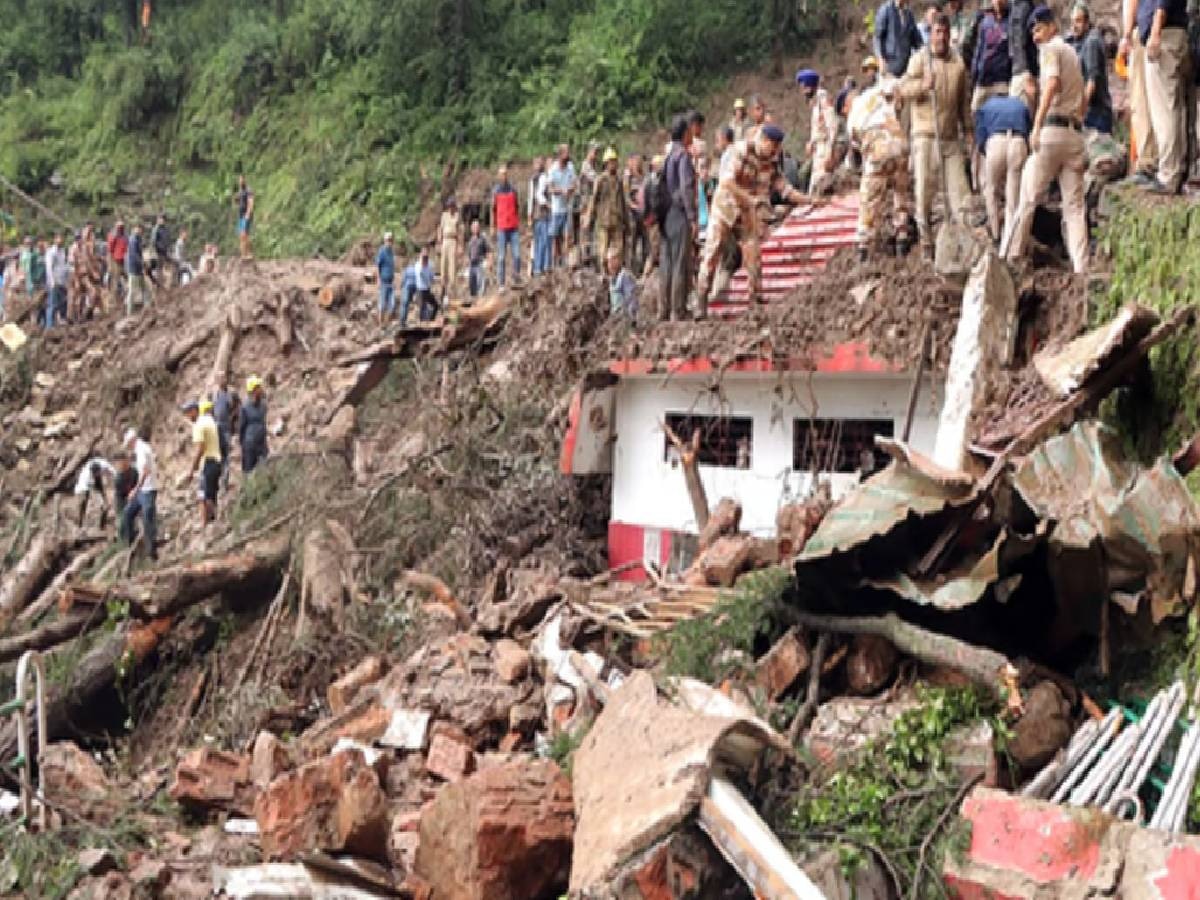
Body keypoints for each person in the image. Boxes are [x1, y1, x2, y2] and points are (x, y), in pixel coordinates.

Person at [1002, 6, 1089, 273]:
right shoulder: (1072, 52)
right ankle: (1081, 269)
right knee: (1074, 207)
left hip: (1052, 130)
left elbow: (1051, 84)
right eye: (1033, 32)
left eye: (1038, 29)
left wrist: (1037, 124)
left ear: (1052, 26)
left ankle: (1010, 260)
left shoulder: (1051, 49)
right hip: (1073, 135)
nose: (1036, 37)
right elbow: (1084, 97)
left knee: (1027, 197)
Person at [696, 125, 806, 307]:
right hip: (725, 208)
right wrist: (749, 198)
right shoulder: (741, 151)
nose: (776, 151)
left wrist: (808, 200)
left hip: (746, 212)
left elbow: (784, 188)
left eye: (778, 147)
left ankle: (755, 296)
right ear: (763, 140)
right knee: (712, 253)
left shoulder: (772, 161)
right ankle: (701, 299)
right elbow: (727, 182)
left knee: (753, 252)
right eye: (773, 146)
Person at [901, 14, 972, 256]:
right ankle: (927, 244)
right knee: (924, 193)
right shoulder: (920, 60)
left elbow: (964, 104)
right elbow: (903, 89)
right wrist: (923, 85)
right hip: (925, 135)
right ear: (930, 34)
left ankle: (963, 245)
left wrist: (969, 132)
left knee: (960, 194)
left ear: (949, 34)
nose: (941, 37)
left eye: (944, 32)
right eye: (937, 32)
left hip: (950, 138)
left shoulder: (958, 64)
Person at [849, 77, 914, 259]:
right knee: (900, 192)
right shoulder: (879, 94)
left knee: (869, 199)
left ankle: (864, 245)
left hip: (878, 146)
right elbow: (898, 94)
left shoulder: (855, 109)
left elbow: (856, 145)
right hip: (899, 142)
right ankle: (902, 237)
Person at [1135, 0, 1188, 192]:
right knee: (1174, 106)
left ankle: (1168, 174)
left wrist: (1155, 32)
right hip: (1172, 34)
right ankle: (1176, 168)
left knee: (1164, 108)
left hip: (1164, 37)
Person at [976, 94, 1033, 243]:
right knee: (1013, 196)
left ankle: (995, 234)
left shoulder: (985, 106)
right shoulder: (1020, 104)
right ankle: (1010, 241)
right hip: (1018, 142)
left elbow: (981, 139)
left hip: (996, 142)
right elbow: (1029, 132)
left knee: (991, 190)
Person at [660, 115, 699, 321]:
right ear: (685, 134)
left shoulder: (667, 156)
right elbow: (685, 187)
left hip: (665, 214)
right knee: (679, 261)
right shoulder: (683, 156)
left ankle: (663, 310)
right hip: (678, 213)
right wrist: (692, 217)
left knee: (666, 261)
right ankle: (678, 310)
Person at [1120, 0, 1159, 186]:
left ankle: (1147, 163)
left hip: (1141, 34)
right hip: (1149, 32)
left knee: (1141, 101)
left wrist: (1126, 35)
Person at [1066, 3, 1113, 135]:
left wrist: (1080, 113)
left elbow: (1092, 81)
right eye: (1072, 21)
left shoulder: (1091, 42)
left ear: (1087, 23)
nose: (1074, 26)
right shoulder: (1076, 42)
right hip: (1091, 111)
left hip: (1095, 113)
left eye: (1078, 21)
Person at [584, 147, 631, 274]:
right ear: (606, 163)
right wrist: (589, 219)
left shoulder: (619, 181)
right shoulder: (600, 180)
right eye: (611, 162)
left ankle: (615, 274)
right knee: (603, 251)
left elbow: (623, 202)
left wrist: (627, 223)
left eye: (615, 161)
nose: (613, 164)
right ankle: (604, 274)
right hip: (604, 221)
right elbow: (594, 201)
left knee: (618, 251)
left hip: (618, 221)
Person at [799, 69, 838, 196]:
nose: (802, 91)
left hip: (825, 148)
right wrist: (811, 142)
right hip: (818, 148)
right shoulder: (815, 102)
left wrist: (831, 154)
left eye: (803, 87)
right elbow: (817, 127)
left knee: (820, 185)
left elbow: (832, 127)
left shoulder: (823, 99)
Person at [184, 399, 222, 526]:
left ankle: (205, 525)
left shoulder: (199, 425)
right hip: (217, 459)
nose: (188, 416)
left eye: (189, 413)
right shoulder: (209, 420)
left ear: (195, 411)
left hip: (208, 462)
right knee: (212, 494)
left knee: (203, 496)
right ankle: (213, 521)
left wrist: (192, 469)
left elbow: (201, 448)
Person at [122, 427, 158, 561]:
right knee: (128, 513)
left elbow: (145, 471)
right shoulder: (141, 448)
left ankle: (151, 552)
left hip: (147, 489)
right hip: (144, 489)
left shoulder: (142, 450)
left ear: (132, 441)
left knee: (148, 519)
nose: (129, 447)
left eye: (128, 444)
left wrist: (135, 490)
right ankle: (133, 546)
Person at [971, 0, 1013, 113]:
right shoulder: (986, 22)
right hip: (983, 79)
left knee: (999, 115)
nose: (998, 2)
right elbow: (979, 49)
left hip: (1002, 80)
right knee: (975, 112)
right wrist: (975, 73)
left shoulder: (1011, 21)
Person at [875, 0, 924, 77]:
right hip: (889, 65)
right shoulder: (886, 10)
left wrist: (925, 54)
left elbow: (917, 40)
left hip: (905, 67)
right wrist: (880, 59)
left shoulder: (909, 14)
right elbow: (878, 37)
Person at [547, 144, 577, 268]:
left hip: (567, 208)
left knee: (567, 236)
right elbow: (550, 188)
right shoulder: (553, 169)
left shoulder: (570, 167)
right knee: (555, 238)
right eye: (565, 152)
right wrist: (561, 191)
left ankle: (565, 262)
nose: (568, 154)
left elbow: (575, 183)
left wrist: (570, 189)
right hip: (556, 209)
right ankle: (555, 263)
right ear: (560, 155)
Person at [491, 165, 521, 288]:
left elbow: (517, 206)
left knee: (517, 255)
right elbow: (493, 209)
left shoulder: (513, 190)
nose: (503, 176)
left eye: (505, 174)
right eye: (501, 174)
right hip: (502, 227)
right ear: (498, 176)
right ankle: (501, 283)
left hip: (513, 227)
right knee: (501, 257)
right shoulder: (496, 191)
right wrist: (492, 226)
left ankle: (516, 277)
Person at [212, 372, 238, 490]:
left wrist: (232, 419)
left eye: (224, 377)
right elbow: (210, 410)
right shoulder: (213, 394)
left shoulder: (231, 392)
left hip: (227, 428)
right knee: (218, 455)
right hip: (216, 428)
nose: (223, 380)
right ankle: (218, 480)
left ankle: (225, 482)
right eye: (220, 378)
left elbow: (238, 407)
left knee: (226, 454)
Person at [1009, 0, 1040, 99]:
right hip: (1023, 69)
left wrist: (1025, 71)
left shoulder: (1022, 6)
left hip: (1023, 72)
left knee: (1019, 111)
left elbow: (1019, 39)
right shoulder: (1016, 5)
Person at [399, 244, 437, 324]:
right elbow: (420, 275)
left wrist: (432, 282)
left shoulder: (430, 264)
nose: (425, 253)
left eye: (426, 252)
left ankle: (430, 320)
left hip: (427, 290)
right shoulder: (418, 265)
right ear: (421, 253)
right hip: (421, 290)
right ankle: (421, 324)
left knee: (435, 305)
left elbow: (431, 276)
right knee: (422, 309)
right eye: (424, 252)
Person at [74, 456, 115, 529]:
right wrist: (98, 501)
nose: (97, 475)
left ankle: (102, 525)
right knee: (83, 502)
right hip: (85, 487)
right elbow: (91, 490)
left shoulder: (103, 464)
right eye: (95, 474)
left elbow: (113, 471)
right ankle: (80, 523)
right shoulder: (86, 476)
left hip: (95, 481)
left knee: (105, 505)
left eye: (98, 473)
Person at [624, 154, 648, 273]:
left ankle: (643, 268)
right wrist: (634, 206)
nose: (638, 163)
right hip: (632, 216)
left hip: (643, 216)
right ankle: (630, 269)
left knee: (645, 243)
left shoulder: (644, 177)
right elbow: (626, 198)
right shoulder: (628, 178)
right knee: (632, 243)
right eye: (636, 161)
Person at [240, 375, 269, 474]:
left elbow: (263, 423)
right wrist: (243, 444)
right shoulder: (245, 407)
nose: (261, 389)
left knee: (264, 468)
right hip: (249, 445)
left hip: (261, 444)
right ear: (253, 390)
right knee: (249, 471)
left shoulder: (263, 405)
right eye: (259, 387)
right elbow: (241, 427)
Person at [528, 157, 549, 276]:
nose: (538, 165)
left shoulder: (538, 178)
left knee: (541, 241)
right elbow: (534, 197)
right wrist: (530, 215)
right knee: (541, 241)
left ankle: (539, 267)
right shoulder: (538, 178)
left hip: (539, 215)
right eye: (536, 163)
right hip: (540, 214)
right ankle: (539, 268)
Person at [437, 198, 462, 300]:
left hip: (453, 240)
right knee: (443, 265)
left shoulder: (457, 216)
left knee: (452, 266)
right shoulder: (444, 216)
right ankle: (443, 289)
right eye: (449, 206)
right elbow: (440, 228)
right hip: (445, 240)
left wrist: (460, 245)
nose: (450, 208)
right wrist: (439, 242)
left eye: (452, 206)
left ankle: (453, 290)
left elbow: (460, 231)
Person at [113, 451, 138, 544]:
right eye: (117, 463)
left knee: (130, 520)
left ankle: (131, 538)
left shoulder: (134, 472)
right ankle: (124, 541)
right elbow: (122, 494)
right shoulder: (118, 478)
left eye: (121, 462)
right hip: (122, 500)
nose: (119, 465)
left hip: (134, 497)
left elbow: (137, 484)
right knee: (122, 521)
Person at [606, 246, 638, 318]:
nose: (610, 264)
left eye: (612, 260)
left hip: (624, 318)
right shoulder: (613, 278)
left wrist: (631, 319)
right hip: (615, 316)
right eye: (608, 261)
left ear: (619, 260)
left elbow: (631, 300)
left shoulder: (625, 276)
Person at [126, 224, 151, 315]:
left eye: (140, 229)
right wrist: (142, 264)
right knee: (132, 292)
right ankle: (129, 312)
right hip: (133, 269)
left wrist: (144, 264)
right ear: (134, 229)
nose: (139, 231)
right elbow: (134, 256)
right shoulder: (133, 240)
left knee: (146, 289)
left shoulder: (138, 239)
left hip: (139, 269)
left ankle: (148, 308)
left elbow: (140, 253)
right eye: (137, 229)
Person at [466, 219, 490, 298]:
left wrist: (489, 262)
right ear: (471, 228)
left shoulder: (483, 238)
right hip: (472, 264)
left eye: (477, 227)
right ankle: (473, 301)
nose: (475, 228)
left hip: (480, 263)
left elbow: (488, 250)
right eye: (474, 227)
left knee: (480, 284)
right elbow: (469, 254)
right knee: (472, 285)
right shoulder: (470, 240)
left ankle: (480, 300)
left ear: (479, 228)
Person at [376, 231, 396, 322]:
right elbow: (377, 266)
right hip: (384, 281)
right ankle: (381, 326)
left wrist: (394, 279)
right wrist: (378, 279)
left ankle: (387, 324)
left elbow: (392, 266)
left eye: (391, 240)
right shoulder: (382, 251)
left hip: (390, 282)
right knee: (382, 305)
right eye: (388, 240)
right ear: (384, 241)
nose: (389, 242)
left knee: (392, 305)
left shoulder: (391, 252)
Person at [107, 221, 128, 305]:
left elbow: (126, 246)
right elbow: (110, 250)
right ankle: (113, 301)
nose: (120, 228)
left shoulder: (124, 236)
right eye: (119, 227)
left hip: (124, 260)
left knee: (128, 279)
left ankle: (123, 299)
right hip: (115, 260)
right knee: (115, 281)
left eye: (122, 227)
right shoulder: (113, 235)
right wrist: (110, 263)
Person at [234, 175, 254, 260]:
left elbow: (251, 202)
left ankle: (249, 253)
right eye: (239, 179)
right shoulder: (240, 191)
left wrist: (248, 214)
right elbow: (237, 202)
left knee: (244, 234)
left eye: (241, 179)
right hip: (241, 216)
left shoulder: (248, 190)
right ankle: (243, 254)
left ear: (245, 180)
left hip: (246, 215)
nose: (240, 181)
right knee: (241, 236)